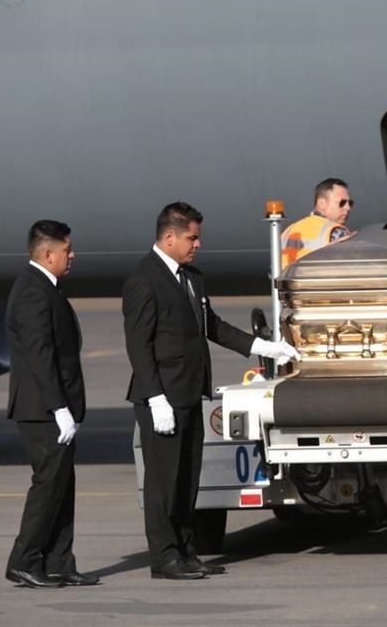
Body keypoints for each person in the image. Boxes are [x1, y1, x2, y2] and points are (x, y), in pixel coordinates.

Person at [123, 201, 300, 580]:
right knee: (162, 483)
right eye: (192, 237)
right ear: (169, 237)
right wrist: (155, 398)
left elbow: (213, 327)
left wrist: (264, 347)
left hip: (189, 393)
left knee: (188, 479)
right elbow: (138, 345)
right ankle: (164, 556)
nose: (198, 244)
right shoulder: (144, 279)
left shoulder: (192, 278)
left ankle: (186, 552)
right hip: (162, 397)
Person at [5, 220, 99, 588]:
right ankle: (24, 559)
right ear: (47, 254)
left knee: (62, 484)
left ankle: (59, 561)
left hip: (53, 407)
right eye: (66, 250)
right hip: (41, 409)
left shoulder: (46, 287)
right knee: (48, 484)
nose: (72, 255)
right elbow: (39, 354)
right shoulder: (32, 291)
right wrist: (58, 408)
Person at [280, 177, 354, 268]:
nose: (348, 208)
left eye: (350, 203)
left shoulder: (288, 231)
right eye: (342, 203)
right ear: (322, 204)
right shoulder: (336, 231)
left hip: (289, 282)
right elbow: (346, 269)